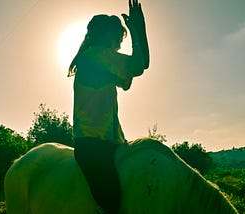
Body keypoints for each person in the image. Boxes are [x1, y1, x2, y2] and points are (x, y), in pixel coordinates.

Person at [68, 0, 149, 213]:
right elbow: (139, 65)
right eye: (117, 39)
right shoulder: (96, 55)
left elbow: (141, 65)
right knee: (113, 205)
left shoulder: (101, 60)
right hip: (93, 146)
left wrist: (139, 29)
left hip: (110, 143)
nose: (120, 45)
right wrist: (137, 30)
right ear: (105, 37)